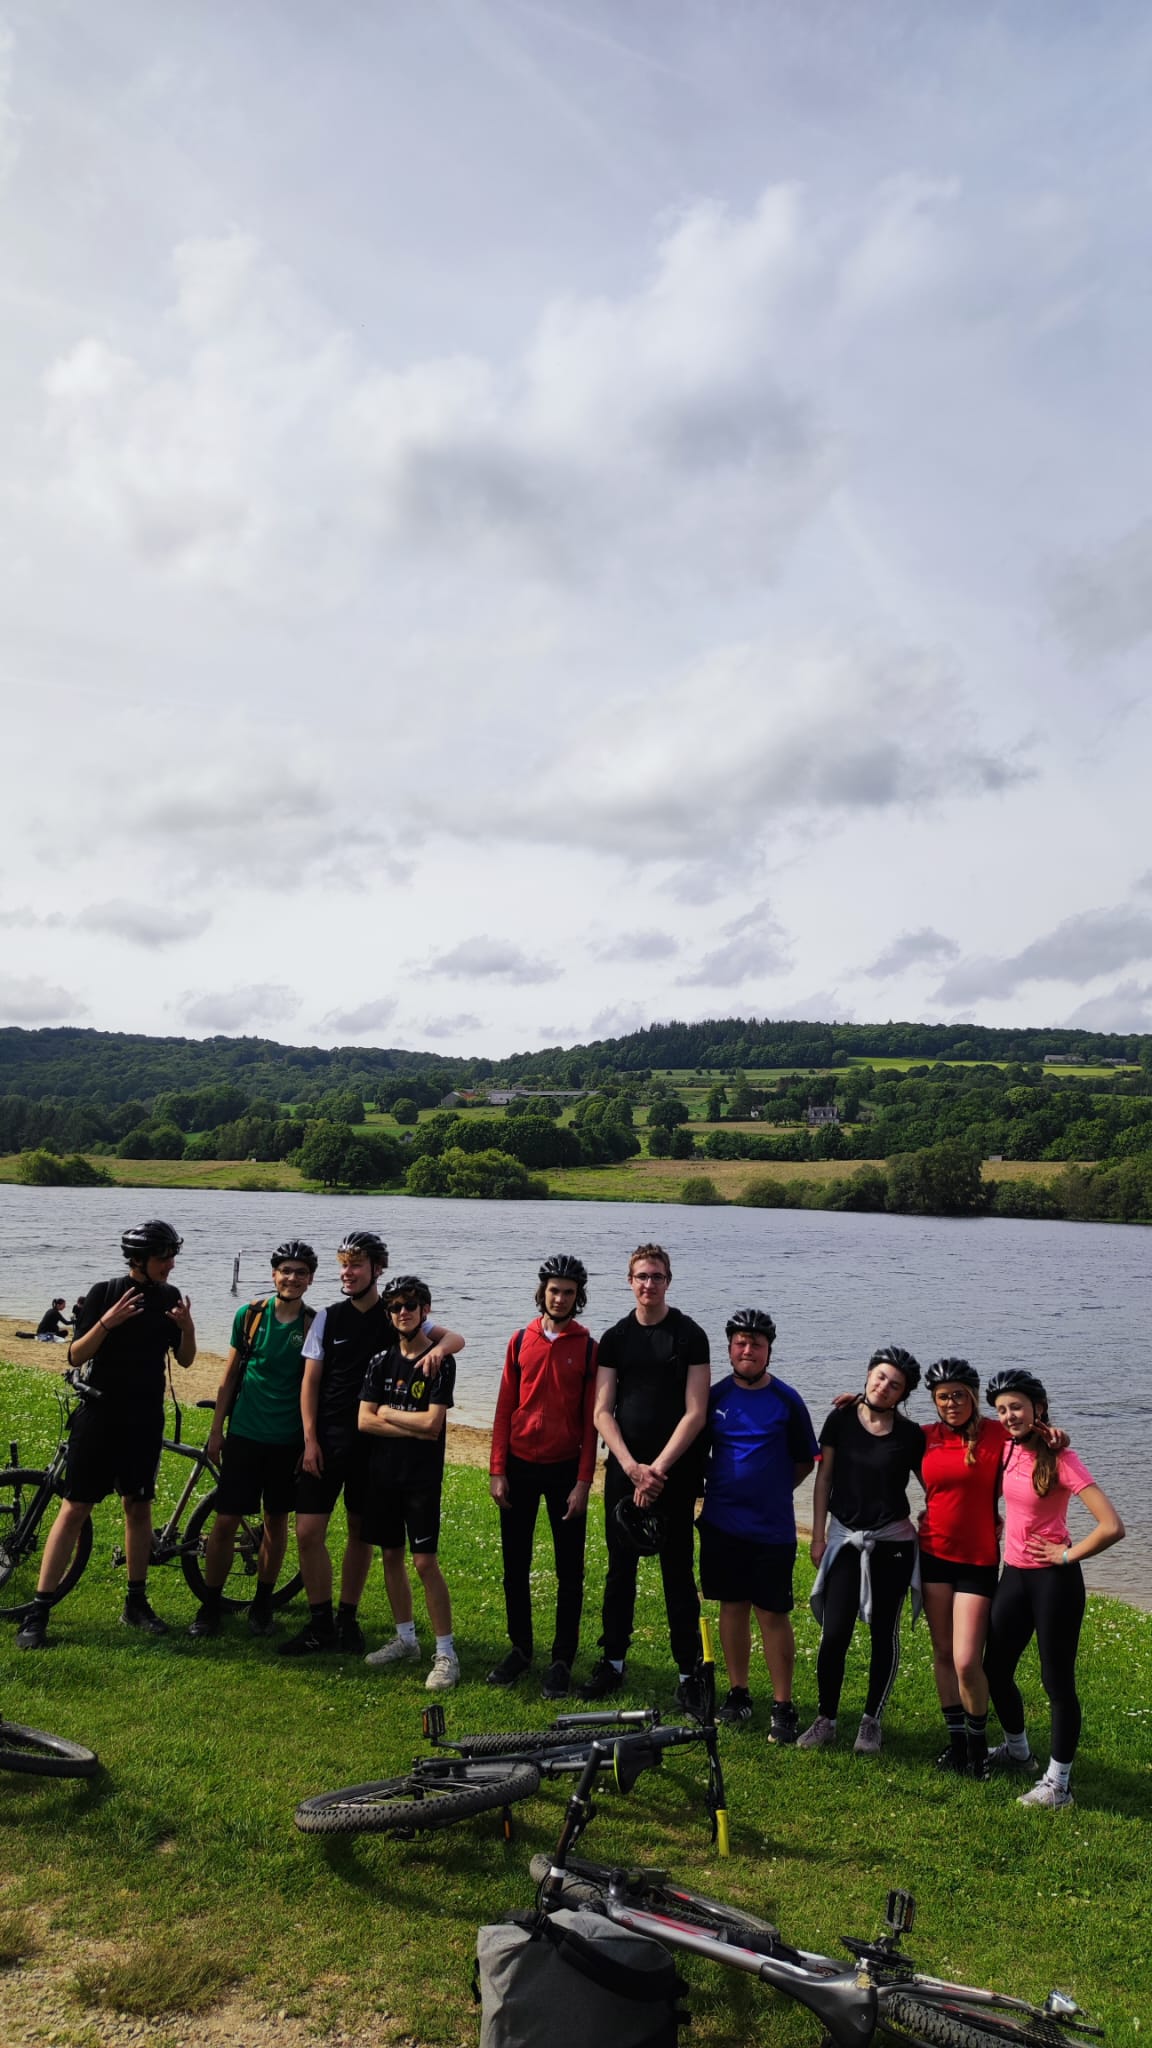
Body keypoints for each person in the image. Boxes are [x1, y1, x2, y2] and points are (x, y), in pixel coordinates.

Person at [279, 1230, 462, 1657]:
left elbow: (454, 1339)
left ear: (378, 1269)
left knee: (360, 1533)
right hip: (328, 1441)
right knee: (307, 1531)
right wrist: (310, 1439)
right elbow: (310, 1382)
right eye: (343, 1265)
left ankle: (347, 1618)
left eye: (356, 1265)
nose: (348, 1272)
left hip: (374, 1449)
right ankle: (320, 1623)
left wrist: (438, 1352)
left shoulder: (397, 1310)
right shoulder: (328, 1317)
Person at [16, 1220, 196, 1649]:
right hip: (99, 1414)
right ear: (139, 1259)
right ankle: (38, 1611)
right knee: (75, 1508)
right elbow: (75, 1354)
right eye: (163, 1258)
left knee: (138, 1507)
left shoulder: (170, 1297)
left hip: (144, 1418)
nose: (170, 1265)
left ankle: (136, 1603)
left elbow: (187, 1360)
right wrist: (107, 1323)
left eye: (172, 1257)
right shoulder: (105, 1292)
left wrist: (188, 1328)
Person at [982, 1369, 1124, 1811]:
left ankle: (1058, 1786)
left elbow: (1112, 1526)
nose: (1009, 1416)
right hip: (1014, 1575)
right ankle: (1018, 1751)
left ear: (1038, 1408)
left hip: (1054, 1583)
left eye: (1017, 1407)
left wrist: (1067, 1555)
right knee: (994, 1670)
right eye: (1001, 1409)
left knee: (1057, 1682)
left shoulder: (1063, 1458)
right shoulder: (1007, 1447)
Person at [578, 1243, 709, 1705]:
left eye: (656, 1276)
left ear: (668, 1281)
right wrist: (632, 1468)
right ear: (629, 1281)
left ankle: (688, 1673)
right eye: (641, 1276)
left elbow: (696, 1412)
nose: (648, 1284)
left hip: (674, 1474)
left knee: (678, 1573)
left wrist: (658, 1470)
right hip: (624, 1471)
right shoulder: (615, 1338)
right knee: (620, 1570)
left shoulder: (689, 1335)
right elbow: (602, 1411)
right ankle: (612, 1661)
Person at [187, 1241, 319, 1641]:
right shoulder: (250, 1315)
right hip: (245, 1434)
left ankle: (263, 1604)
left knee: (276, 1522)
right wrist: (216, 1430)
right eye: (286, 1271)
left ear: (311, 1279)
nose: (292, 1278)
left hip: (287, 1441)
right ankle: (210, 1604)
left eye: (300, 1272)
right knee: (225, 1521)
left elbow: (314, 1386)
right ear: (274, 1274)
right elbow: (229, 1376)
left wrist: (309, 1440)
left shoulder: (313, 1324)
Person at [697, 1309, 819, 1740]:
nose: (748, 1350)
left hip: (771, 1528)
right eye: (740, 1343)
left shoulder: (787, 1400)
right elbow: (696, 1451)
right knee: (732, 1607)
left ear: (769, 1350)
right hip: (721, 1523)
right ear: (730, 1348)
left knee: (772, 1613)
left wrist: (772, 1490)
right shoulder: (714, 1397)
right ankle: (739, 1693)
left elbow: (806, 1460)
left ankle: (783, 1705)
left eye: (757, 1344)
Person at [799, 1345, 923, 1756]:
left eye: (895, 1385)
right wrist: (819, 1536)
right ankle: (826, 1719)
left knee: (884, 1635)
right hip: (846, 1541)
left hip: (893, 1545)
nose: (884, 1386)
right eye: (880, 1376)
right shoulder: (840, 1419)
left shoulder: (910, 1435)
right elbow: (824, 1479)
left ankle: (871, 1722)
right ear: (869, 1374)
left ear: (903, 1395)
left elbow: (936, 1483)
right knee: (834, 1633)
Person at [487, 1254, 598, 1700]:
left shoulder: (589, 1348)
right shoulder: (520, 1341)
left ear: (578, 1297)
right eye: (554, 1290)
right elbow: (503, 1408)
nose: (560, 1298)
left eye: (569, 1292)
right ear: (543, 1292)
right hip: (519, 1466)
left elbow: (591, 1422)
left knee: (569, 1571)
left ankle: (561, 1659)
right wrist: (497, 1470)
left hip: (565, 1469)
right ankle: (520, 1649)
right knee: (514, 1566)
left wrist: (584, 1482)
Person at [359, 1277, 460, 1690]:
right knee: (390, 1554)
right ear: (389, 1314)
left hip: (421, 1478)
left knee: (424, 1562)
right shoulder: (380, 1361)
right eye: (396, 1306)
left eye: (411, 1305)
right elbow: (364, 1421)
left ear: (425, 1310)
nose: (403, 1312)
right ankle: (405, 1640)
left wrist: (388, 1413)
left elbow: (433, 1425)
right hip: (383, 1474)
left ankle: (446, 1653)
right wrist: (407, 1425)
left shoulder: (439, 1362)